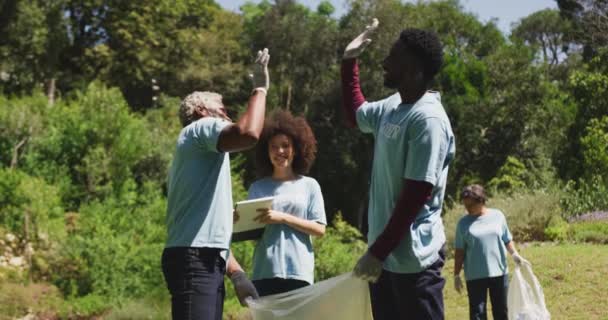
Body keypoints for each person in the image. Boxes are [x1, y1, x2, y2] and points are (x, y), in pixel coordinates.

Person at [341, 19, 456, 320]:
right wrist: (349, 61)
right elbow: (356, 115)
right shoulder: (394, 105)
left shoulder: (427, 120)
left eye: (393, 56)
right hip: (383, 259)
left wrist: (377, 252)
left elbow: (415, 195)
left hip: (414, 262)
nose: (384, 62)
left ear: (414, 68)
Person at [161, 48, 270, 320]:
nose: (228, 117)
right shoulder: (200, 128)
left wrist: (236, 273)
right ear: (202, 111)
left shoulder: (201, 154)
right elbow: (248, 133)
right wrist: (260, 89)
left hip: (204, 260)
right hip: (195, 261)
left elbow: (206, 231)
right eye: (223, 111)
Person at [240, 110, 327, 297]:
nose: (280, 151)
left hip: (299, 273)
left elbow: (319, 229)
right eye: (274, 147)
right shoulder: (257, 187)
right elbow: (250, 232)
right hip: (264, 272)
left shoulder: (309, 186)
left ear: (295, 150)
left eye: (285, 145)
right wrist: (238, 220)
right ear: (267, 152)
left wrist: (282, 218)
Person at [453, 184, 526, 320]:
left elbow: (506, 239)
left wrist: (514, 253)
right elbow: (459, 251)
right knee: (477, 314)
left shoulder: (498, 216)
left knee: (502, 311)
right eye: (465, 206)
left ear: (481, 201)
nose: (467, 209)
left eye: (470, 205)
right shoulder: (463, 224)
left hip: (499, 273)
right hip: (475, 276)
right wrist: (456, 274)